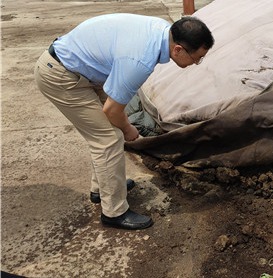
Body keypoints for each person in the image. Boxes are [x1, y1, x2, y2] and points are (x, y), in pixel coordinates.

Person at [34, 14, 214, 230]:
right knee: (109, 138)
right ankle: (114, 212)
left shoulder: (163, 31)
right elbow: (112, 110)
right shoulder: (140, 61)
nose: (197, 63)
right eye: (197, 58)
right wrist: (128, 129)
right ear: (178, 50)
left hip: (83, 68)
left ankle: (102, 189)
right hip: (62, 76)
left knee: (105, 133)